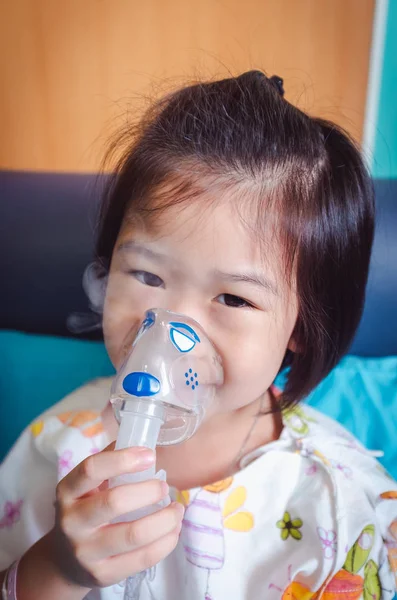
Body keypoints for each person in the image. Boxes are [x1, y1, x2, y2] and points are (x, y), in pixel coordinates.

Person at [1, 70, 396, 600]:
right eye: (147, 276)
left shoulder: (336, 507)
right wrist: (56, 571)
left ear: (301, 326)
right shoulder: (57, 442)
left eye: (233, 298)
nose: (171, 329)